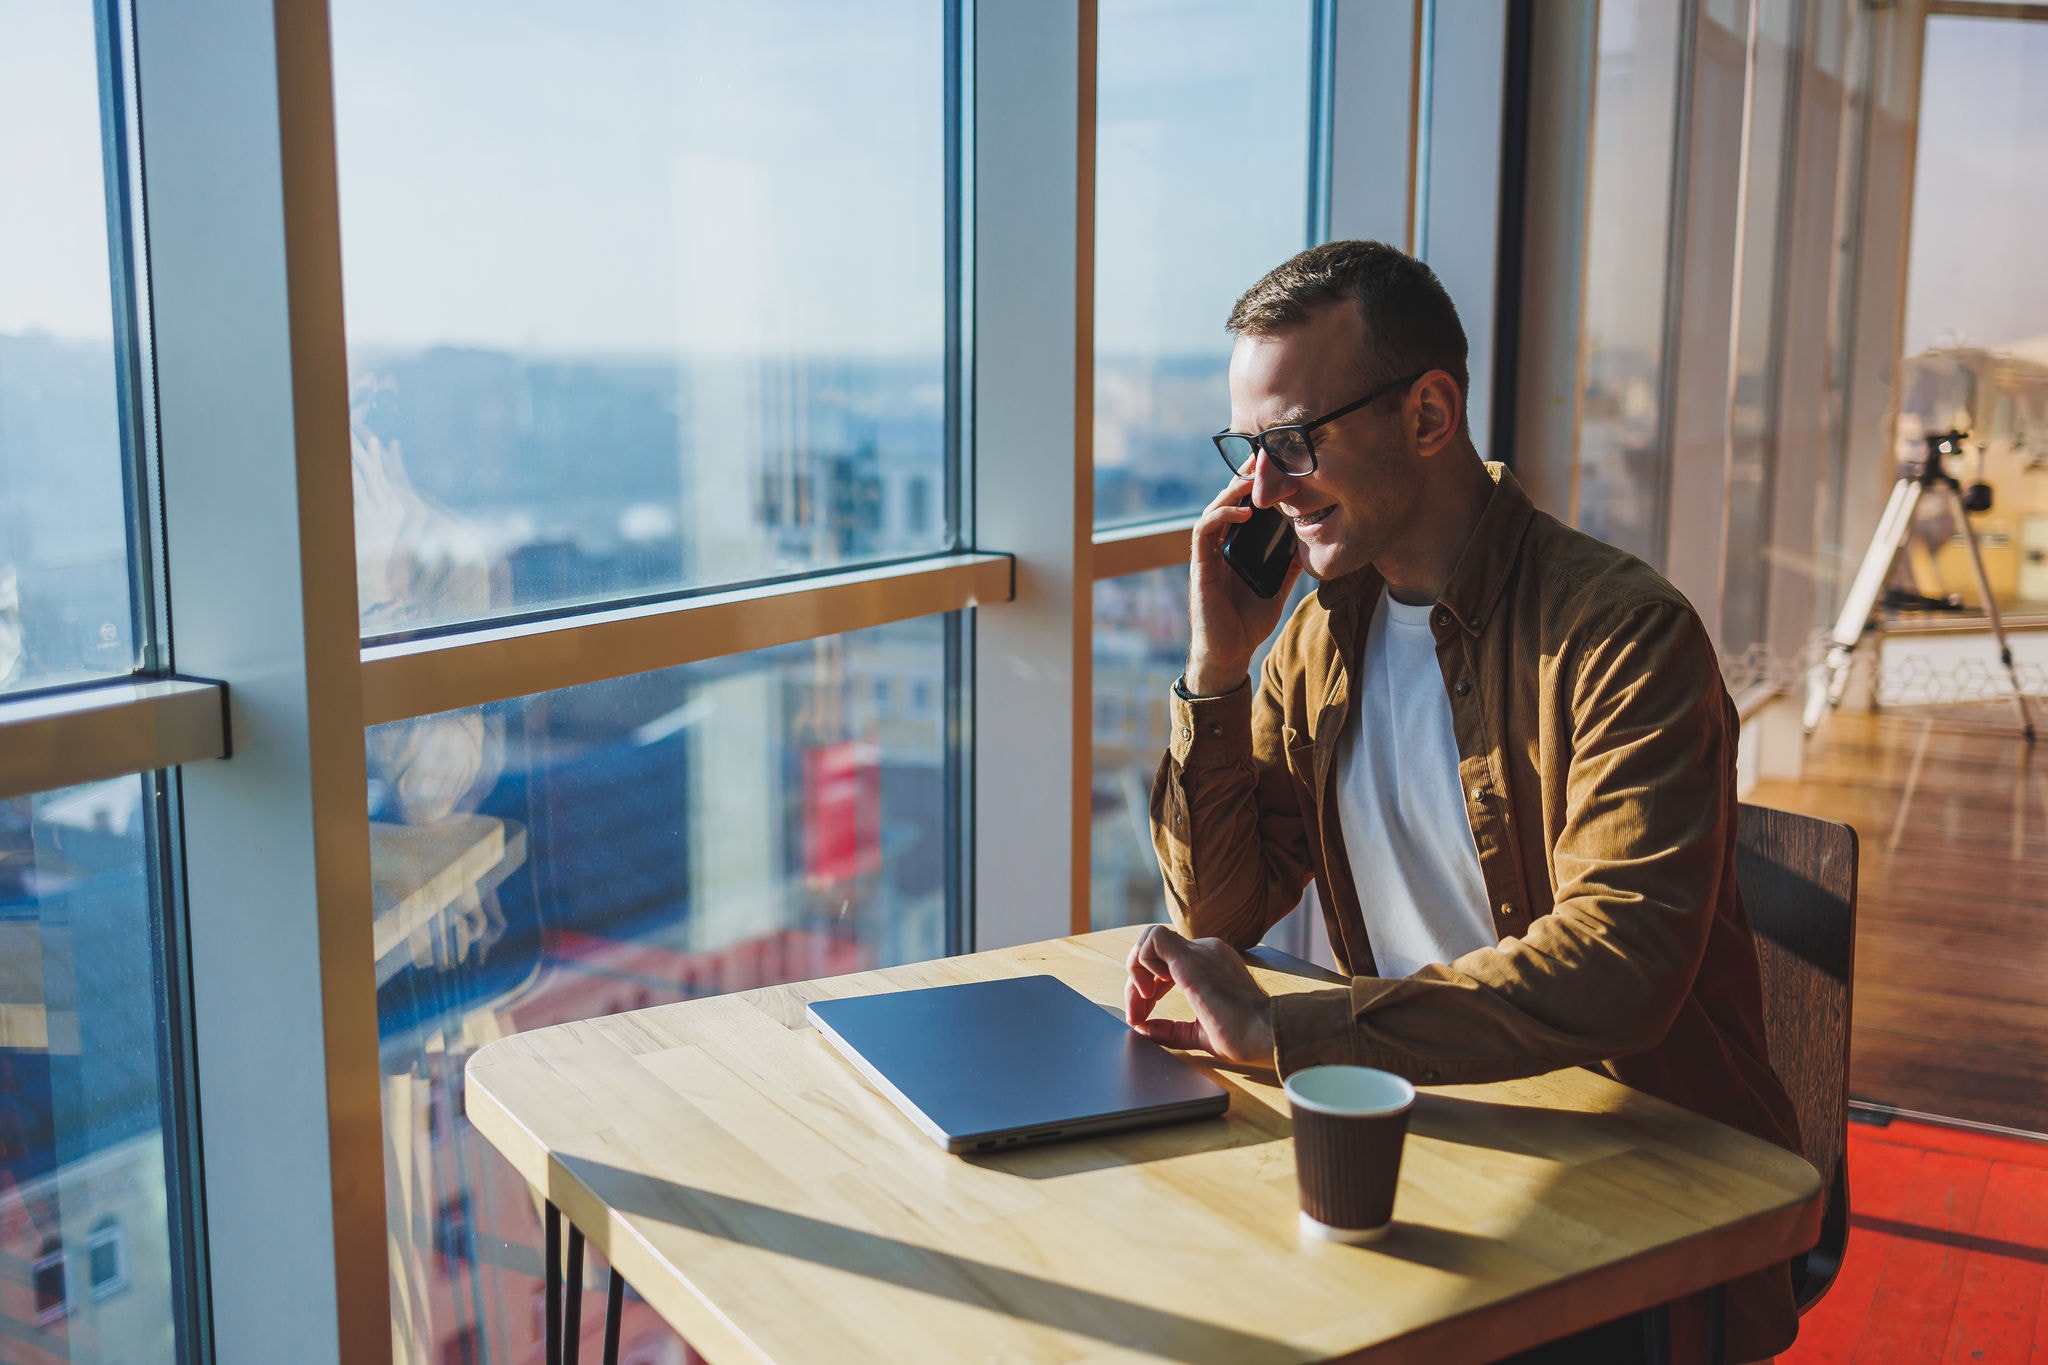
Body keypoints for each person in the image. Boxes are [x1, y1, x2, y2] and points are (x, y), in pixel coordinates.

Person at [1123, 240, 1802, 1362]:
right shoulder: (1311, 643)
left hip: (1646, 1186)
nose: (1260, 492)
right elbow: (1224, 913)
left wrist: (1290, 1030)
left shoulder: (1622, 636)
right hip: (1429, 1132)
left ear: (1429, 415)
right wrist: (1215, 669)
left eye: (1291, 442)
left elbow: (1617, 964)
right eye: (1246, 451)